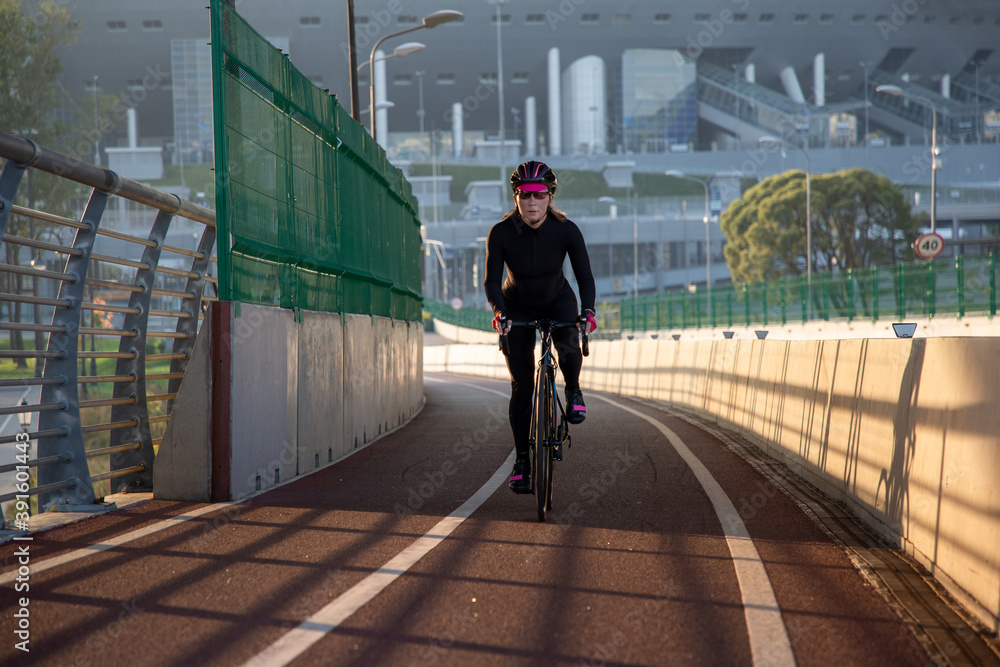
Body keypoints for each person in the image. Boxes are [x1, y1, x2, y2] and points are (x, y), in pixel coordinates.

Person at [484, 160, 598, 494]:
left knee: (567, 342)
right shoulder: (502, 233)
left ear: (550, 196)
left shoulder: (566, 230)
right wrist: (500, 312)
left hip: (556, 299)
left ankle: (573, 389)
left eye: (539, 195)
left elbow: (585, 277)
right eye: (524, 195)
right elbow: (492, 281)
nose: (532, 203)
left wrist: (588, 311)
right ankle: (522, 461)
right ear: (516, 197)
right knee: (522, 386)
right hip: (515, 306)